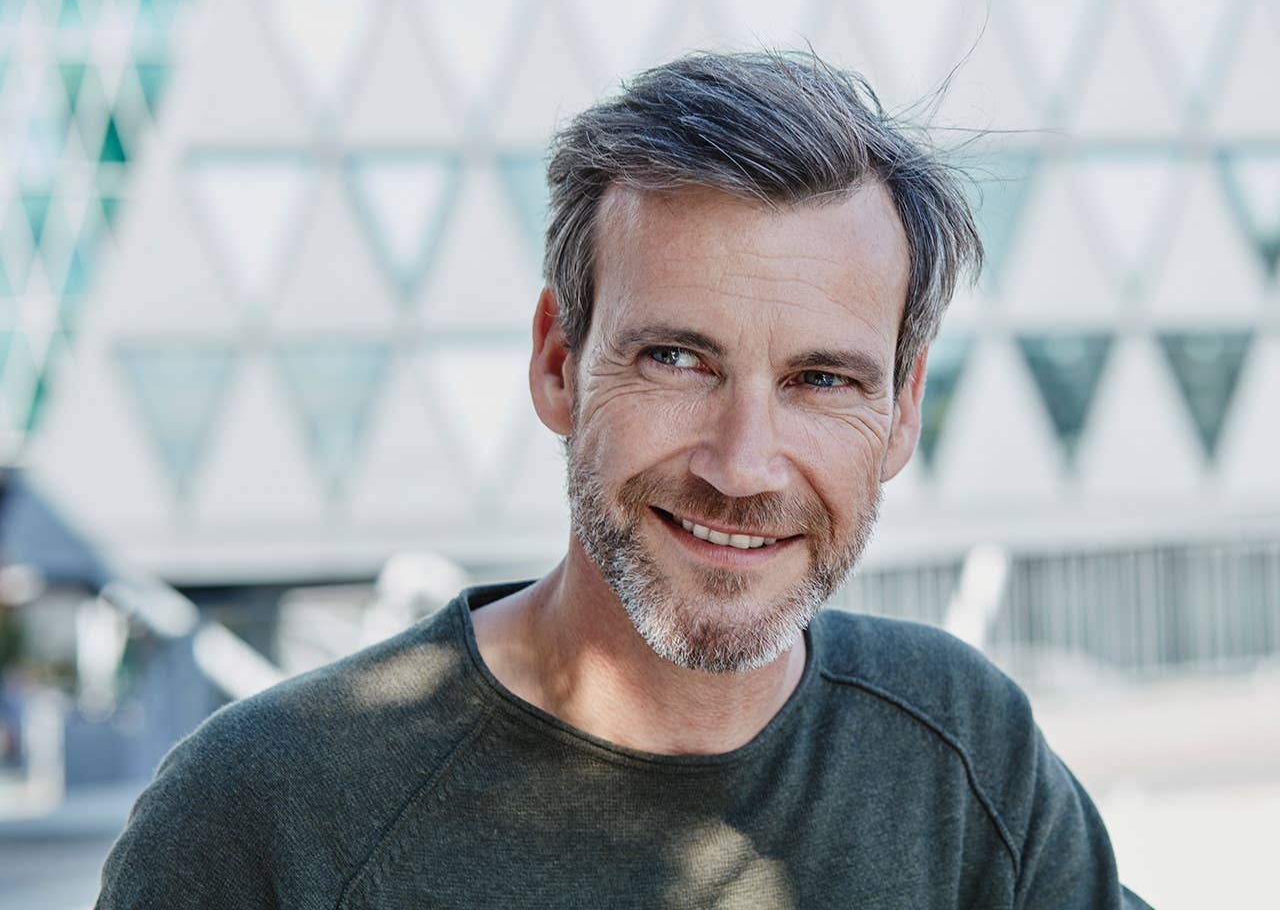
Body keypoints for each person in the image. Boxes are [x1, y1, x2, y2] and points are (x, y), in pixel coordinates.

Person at [97, 51, 1151, 909]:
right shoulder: (262, 812)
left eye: (821, 379)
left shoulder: (960, 749)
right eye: (677, 359)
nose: (742, 464)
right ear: (558, 363)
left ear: (903, 410)